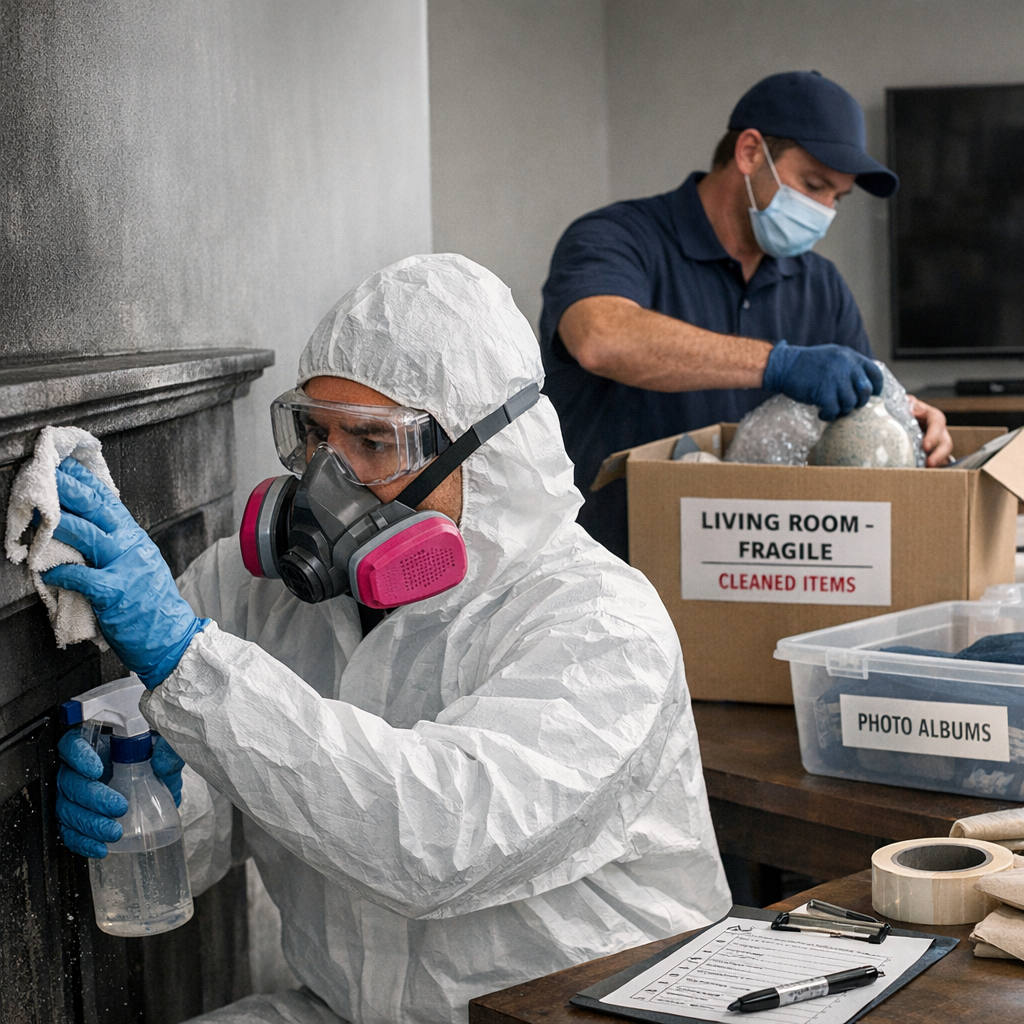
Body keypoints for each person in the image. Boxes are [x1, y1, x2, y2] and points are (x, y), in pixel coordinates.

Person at [45, 254, 731, 1024]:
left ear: (490, 454)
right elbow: (257, 795)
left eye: (375, 445)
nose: (326, 482)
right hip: (350, 1007)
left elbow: (438, 840)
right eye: (314, 436)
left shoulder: (600, 623)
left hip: (581, 1013)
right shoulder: (256, 591)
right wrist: (164, 804)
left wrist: (191, 670)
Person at [540, 70, 954, 561]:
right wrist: (779, 364)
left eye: (836, 198)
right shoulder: (618, 237)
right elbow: (600, 337)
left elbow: (853, 415)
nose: (824, 211)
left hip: (761, 566)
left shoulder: (820, 285)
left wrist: (902, 416)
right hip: (614, 566)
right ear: (750, 152)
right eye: (814, 184)